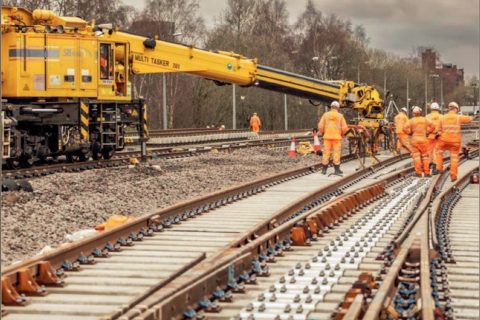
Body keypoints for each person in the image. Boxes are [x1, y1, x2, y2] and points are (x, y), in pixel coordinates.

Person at [435, 102, 473, 181]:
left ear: (449, 108)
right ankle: (453, 176)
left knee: (438, 152)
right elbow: (469, 119)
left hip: (443, 141)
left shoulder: (442, 118)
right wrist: (473, 116)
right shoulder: (458, 117)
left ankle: (439, 168)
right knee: (454, 158)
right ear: (456, 109)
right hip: (455, 142)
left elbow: (438, 130)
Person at [318, 101, 349, 175]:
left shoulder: (325, 115)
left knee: (326, 153)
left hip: (327, 137)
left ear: (331, 107)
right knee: (336, 153)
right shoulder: (340, 116)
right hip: (337, 138)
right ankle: (337, 170)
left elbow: (320, 126)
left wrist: (323, 132)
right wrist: (342, 134)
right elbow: (345, 128)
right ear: (338, 108)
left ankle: (324, 170)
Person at [403, 106, 435, 177]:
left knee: (416, 157)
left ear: (413, 113)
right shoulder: (425, 119)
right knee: (425, 157)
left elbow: (404, 128)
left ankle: (418, 173)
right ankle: (427, 173)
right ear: (420, 112)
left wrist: (410, 133)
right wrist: (428, 132)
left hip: (415, 141)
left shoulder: (411, 120)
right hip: (424, 140)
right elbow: (433, 126)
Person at [426, 102, 442, 174]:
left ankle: (428, 166)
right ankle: (436, 168)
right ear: (438, 108)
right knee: (437, 152)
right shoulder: (441, 117)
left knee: (429, 151)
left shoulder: (427, 116)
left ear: (431, 108)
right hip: (438, 136)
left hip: (429, 136)